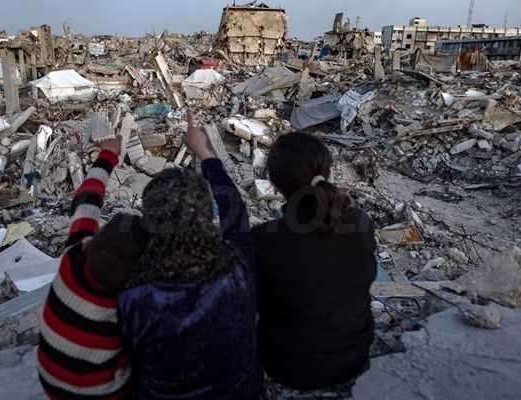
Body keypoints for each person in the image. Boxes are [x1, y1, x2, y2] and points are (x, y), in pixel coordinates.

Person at [116, 112, 260, 399]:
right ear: (206, 215)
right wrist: (204, 153)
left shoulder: (135, 297)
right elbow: (235, 212)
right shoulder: (236, 266)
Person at [251, 132, 377, 399]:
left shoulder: (265, 240)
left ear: (274, 183)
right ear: (327, 171)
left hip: (288, 367)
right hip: (354, 357)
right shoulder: (360, 222)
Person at [37, 136, 149, 400]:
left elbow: (86, 199)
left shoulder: (73, 256)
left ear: (91, 245)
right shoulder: (124, 306)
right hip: (101, 393)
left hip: (50, 382)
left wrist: (107, 156)